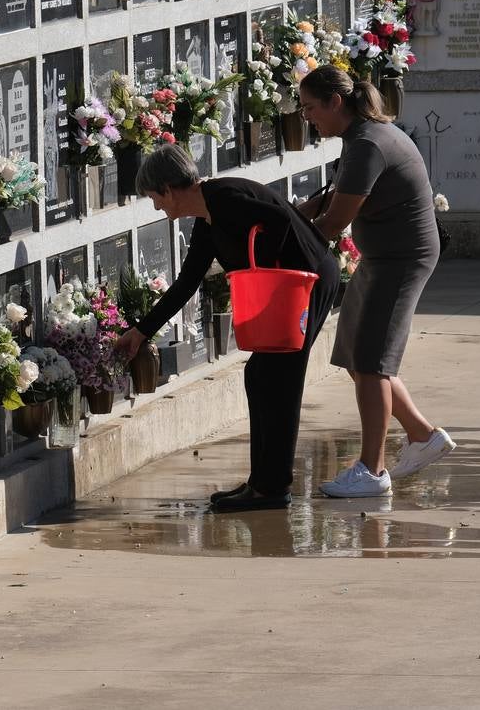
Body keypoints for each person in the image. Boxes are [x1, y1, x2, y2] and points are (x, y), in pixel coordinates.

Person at [114, 145, 338, 512]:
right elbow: (186, 283)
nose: (156, 207)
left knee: (279, 378)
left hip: (304, 285)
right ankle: (261, 482)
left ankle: (273, 488)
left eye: (154, 198)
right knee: (259, 375)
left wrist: (264, 274)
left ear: (168, 189)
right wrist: (141, 332)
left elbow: (280, 221)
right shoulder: (207, 221)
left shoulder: (226, 198)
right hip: (287, 291)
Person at [296, 66, 456, 498]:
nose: (307, 117)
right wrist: (290, 215)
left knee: (372, 363)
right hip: (381, 257)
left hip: (401, 260)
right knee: (355, 355)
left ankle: (372, 470)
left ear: (335, 102)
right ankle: (423, 437)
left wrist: (288, 244)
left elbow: (334, 222)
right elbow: (330, 198)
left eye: (311, 108)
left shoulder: (368, 143)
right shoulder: (360, 136)